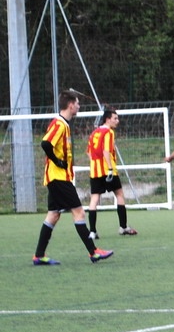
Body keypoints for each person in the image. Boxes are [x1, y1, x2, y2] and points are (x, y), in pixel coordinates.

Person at [32, 90, 113, 265]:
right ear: (70, 105)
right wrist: (58, 161)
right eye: (77, 103)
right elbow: (45, 143)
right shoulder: (59, 124)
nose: (79, 106)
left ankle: (39, 255)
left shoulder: (65, 124)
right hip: (58, 177)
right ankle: (94, 252)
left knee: (53, 215)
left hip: (58, 177)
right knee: (79, 212)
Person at [86, 107, 137, 240]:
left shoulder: (94, 133)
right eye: (115, 118)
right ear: (108, 119)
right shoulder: (108, 132)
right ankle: (123, 227)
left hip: (95, 171)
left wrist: (95, 165)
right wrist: (109, 168)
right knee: (119, 194)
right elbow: (106, 151)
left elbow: (89, 153)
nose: (117, 121)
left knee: (94, 199)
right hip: (108, 170)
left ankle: (92, 231)